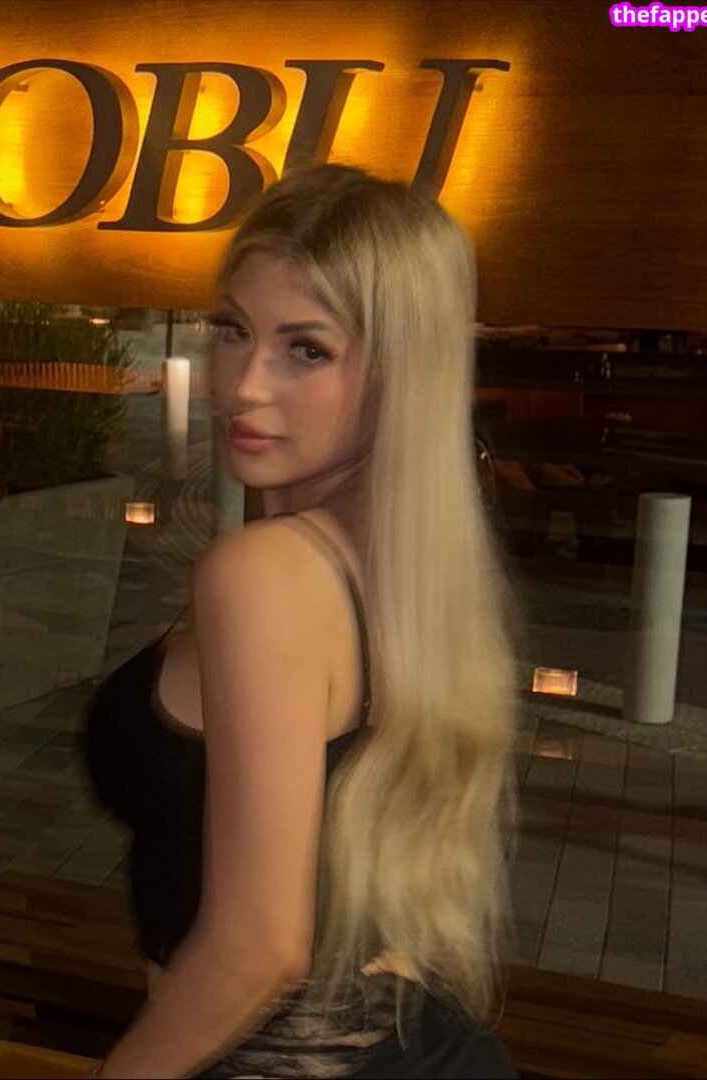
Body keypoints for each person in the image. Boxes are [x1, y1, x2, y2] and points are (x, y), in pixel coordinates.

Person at [82, 163, 519, 1078]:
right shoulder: (406, 567)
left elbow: (259, 950)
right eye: (233, 331)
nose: (244, 386)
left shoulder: (262, 576)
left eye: (306, 350)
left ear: (400, 372)